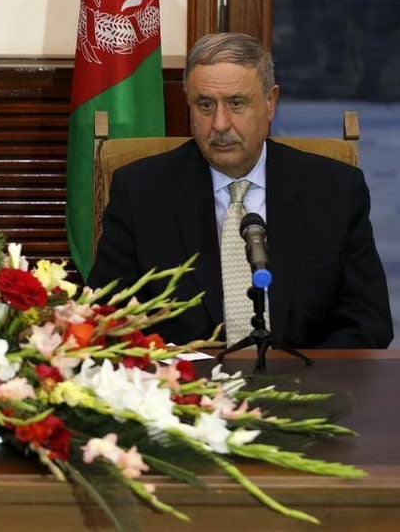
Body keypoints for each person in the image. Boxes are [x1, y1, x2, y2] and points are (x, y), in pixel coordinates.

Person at [88, 32, 393, 349]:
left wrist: (307, 383)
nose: (220, 124)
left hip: (305, 386)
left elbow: (368, 323)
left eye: (236, 103)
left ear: (270, 102)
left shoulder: (335, 190)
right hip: (185, 390)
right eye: (205, 105)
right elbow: (107, 316)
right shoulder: (141, 191)